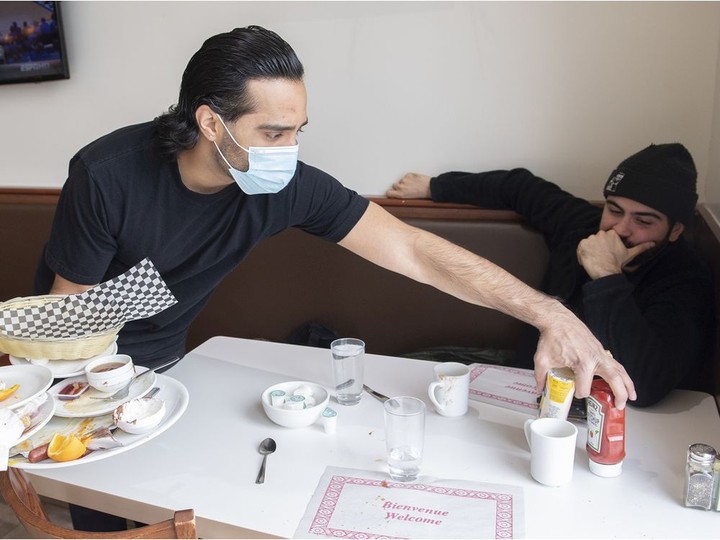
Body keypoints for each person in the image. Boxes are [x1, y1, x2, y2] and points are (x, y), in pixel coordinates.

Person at [33, 26, 635, 529]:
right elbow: (65, 332)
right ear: (211, 123)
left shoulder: (283, 186)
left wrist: (550, 313)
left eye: (298, 132)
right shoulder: (107, 176)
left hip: (174, 368)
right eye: (272, 133)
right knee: (116, 517)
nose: (289, 151)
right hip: (85, 376)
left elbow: (415, 251)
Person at [387, 143, 714, 407]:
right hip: (522, 378)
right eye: (614, 210)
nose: (620, 230)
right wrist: (435, 185)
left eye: (644, 221)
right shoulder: (579, 224)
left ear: (675, 231)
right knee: (406, 371)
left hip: (602, 407)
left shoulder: (685, 278)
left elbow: (647, 385)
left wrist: (606, 275)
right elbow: (520, 187)